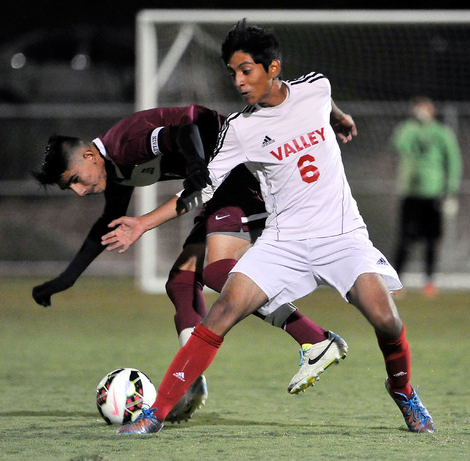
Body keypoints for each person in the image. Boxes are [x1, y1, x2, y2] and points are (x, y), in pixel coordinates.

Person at [106, 19, 434, 435]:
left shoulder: (316, 87)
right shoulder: (241, 128)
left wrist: (340, 118)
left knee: (386, 319)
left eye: (246, 71)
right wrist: (142, 223)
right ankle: (155, 415)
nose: (239, 82)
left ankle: (403, 391)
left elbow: (326, 101)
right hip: (284, 242)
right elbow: (201, 189)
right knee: (222, 311)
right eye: (233, 74)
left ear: (272, 68)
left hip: (342, 235)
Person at [31, 105, 347, 422]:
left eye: (74, 180)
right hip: (221, 182)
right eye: (69, 187)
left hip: (248, 171)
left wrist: (196, 166)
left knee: (217, 272)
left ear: (88, 156)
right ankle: (191, 380)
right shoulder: (114, 168)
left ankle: (316, 339)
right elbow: (108, 224)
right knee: (181, 281)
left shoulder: (123, 145)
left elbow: (184, 132)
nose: (78, 190)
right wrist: (67, 279)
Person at [391, 96, 463, 298]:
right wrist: (412, 124)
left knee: (432, 240)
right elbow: (399, 144)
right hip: (410, 193)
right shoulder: (408, 129)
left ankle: (429, 282)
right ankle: (397, 282)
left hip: (433, 194)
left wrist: (451, 191)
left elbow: (454, 161)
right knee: (404, 239)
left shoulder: (441, 132)